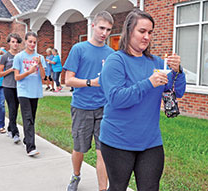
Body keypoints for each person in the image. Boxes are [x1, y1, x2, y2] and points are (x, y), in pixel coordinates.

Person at [99, 9, 186, 191]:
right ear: (129, 31)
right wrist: (148, 83)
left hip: (150, 141)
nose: (147, 37)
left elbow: (176, 92)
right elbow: (116, 98)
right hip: (118, 140)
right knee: (117, 187)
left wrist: (178, 71)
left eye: (150, 32)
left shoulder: (156, 63)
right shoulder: (116, 61)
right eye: (142, 31)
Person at [64, 11, 114, 191]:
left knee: (103, 152)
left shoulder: (111, 53)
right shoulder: (79, 49)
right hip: (82, 107)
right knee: (80, 148)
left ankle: (103, 188)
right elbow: (68, 80)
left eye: (108, 30)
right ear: (93, 26)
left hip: (104, 109)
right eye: (102, 28)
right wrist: (90, 82)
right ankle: (75, 175)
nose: (104, 33)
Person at [13, 31, 46, 156]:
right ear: (26, 41)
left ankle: (27, 139)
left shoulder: (40, 57)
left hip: (35, 91)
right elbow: (17, 77)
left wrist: (40, 65)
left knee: (32, 118)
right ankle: (31, 147)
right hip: (23, 91)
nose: (32, 44)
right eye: (30, 41)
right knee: (28, 118)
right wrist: (29, 71)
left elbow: (43, 76)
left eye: (34, 42)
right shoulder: (19, 57)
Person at [0, 33, 22, 143]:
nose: (15, 44)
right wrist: (11, 69)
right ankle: (15, 132)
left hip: (19, 86)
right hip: (8, 86)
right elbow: (0, 74)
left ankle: (9, 128)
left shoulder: (21, 56)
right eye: (13, 42)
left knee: (15, 109)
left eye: (17, 42)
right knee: (12, 108)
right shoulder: (5, 57)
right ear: (9, 43)